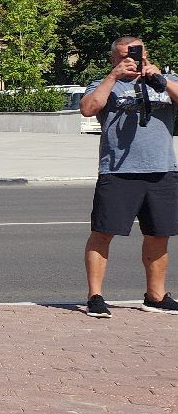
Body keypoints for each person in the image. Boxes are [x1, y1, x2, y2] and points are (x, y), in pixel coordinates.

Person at [78, 35, 177, 317]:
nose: (131, 59)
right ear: (114, 58)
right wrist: (114, 76)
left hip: (162, 169)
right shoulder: (104, 83)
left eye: (136, 54)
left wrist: (159, 77)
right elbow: (88, 108)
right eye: (123, 56)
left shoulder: (165, 80)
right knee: (103, 233)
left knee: (159, 235)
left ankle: (156, 296)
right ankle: (95, 296)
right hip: (118, 170)